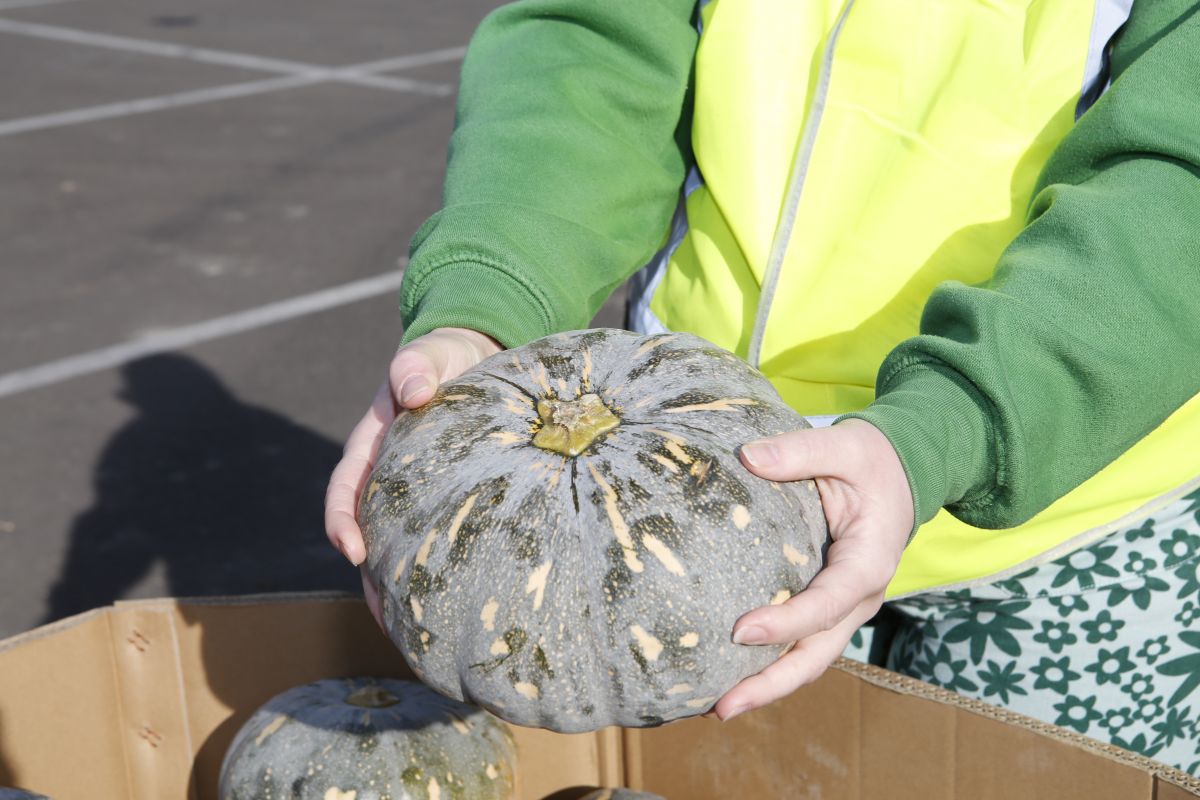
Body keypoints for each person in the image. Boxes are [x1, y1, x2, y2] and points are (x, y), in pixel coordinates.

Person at [326, 0, 1200, 771]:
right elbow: (597, 40)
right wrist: (488, 303)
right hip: (688, 517)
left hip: (1068, 515)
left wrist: (950, 424)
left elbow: (1179, 181)